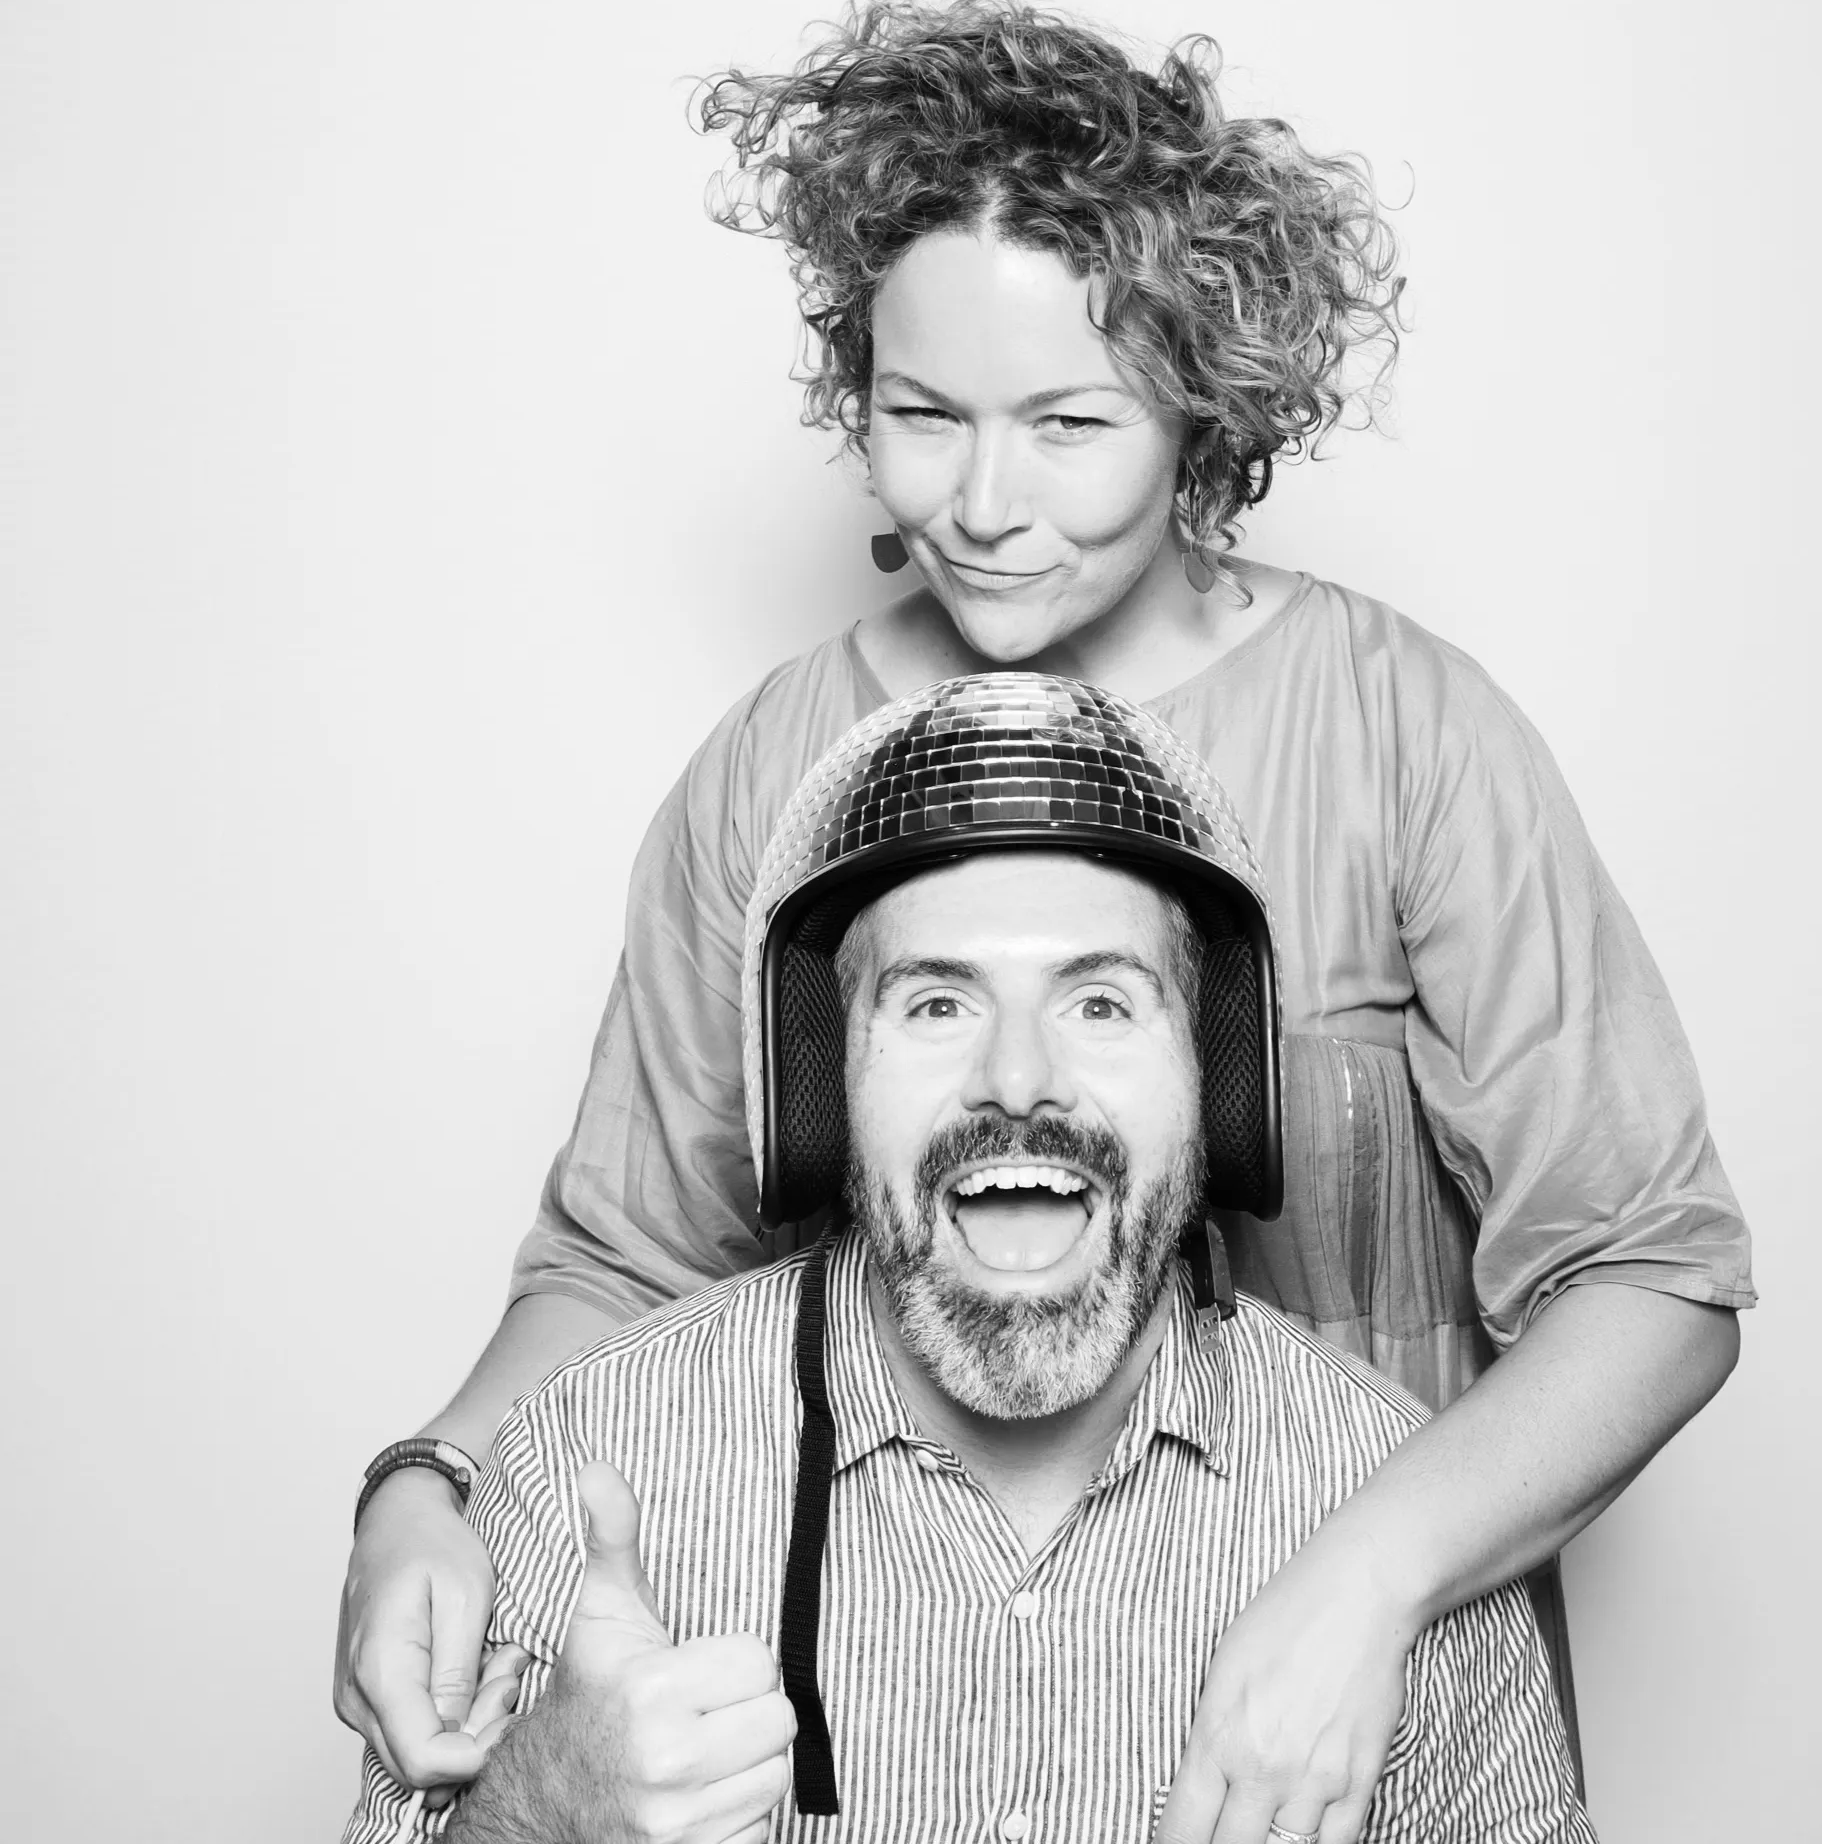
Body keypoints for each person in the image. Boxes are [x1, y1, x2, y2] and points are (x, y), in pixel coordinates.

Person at [335, 0, 1753, 1843]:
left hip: (1339, 1713)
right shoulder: (775, 760)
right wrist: (425, 1482)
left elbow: (1648, 1273)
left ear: (1199, 403)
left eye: (1067, 422)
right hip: (902, 1685)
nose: (983, 505)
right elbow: (622, 1253)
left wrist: (1358, 1588)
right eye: (921, 417)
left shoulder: (1406, 732)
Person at [343, 677, 1593, 1844]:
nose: (1016, 1080)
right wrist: (538, 1811)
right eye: (936, 1004)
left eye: (1099, 1003)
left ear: (1216, 1082)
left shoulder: (1387, 1506)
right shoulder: (584, 1461)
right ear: (820, 1089)